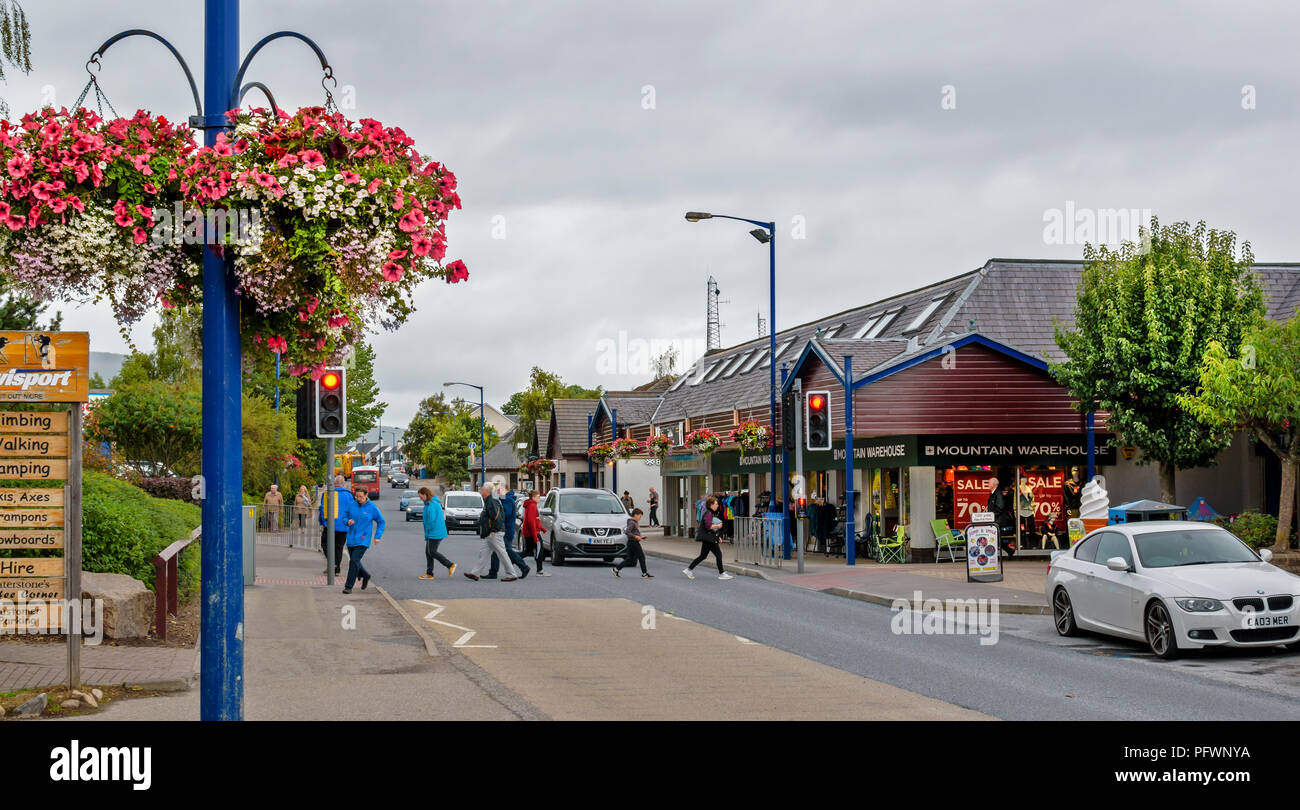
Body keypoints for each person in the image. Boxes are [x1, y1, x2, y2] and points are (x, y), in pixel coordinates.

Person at [464, 484, 520, 582]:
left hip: (494, 533)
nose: (481, 491)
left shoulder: (491, 501)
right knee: (484, 553)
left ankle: (512, 574)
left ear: (487, 491)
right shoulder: (490, 500)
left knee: (502, 554)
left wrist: (494, 530)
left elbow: (497, 517)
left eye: (482, 489)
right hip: (491, 533)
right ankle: (475, 573)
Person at [342, 485, 385, 594]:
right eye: (357, 496)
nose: (359, 499)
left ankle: (348, 587)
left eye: (361, 496)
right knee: (355, 561)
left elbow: (381, 522)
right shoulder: (351, 505)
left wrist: (377, 536)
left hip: (363, 539)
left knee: (353, 562)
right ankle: (365, 575)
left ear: (366, 495)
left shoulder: (372, 507)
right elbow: (344, 517)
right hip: (351, 538)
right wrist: (347, 521)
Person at [683, 496, 733, 580]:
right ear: (711, 505)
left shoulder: (709, 513)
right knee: (718, 554)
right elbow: (708, 526)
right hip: (709, 538)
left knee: (703, 556)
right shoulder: (708, 513)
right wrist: (718, 526)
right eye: (716, 504)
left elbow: (709, 527)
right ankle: (722, 573)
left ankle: (689, 569)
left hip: (708, 537)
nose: (717, 505)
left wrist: (718, 536)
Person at [488, 485, 530, 579]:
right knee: (496, 549)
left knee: (507, 550)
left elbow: (505, 514)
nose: (497, 491)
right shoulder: (505, 499)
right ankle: (493, 572)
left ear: (504, 490)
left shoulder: (507, 500)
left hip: (506, 529)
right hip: (504, 529)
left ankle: (524, 567)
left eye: (499, 490)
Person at [319, 475, 355, 576]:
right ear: (344, 484)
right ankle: (336, 569)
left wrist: (324, 523)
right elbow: (352, 511)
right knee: (339, 547)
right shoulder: (349, 496)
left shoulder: (328, 494)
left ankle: (332, 564)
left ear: (334, 484)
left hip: (330, 525)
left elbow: (323, 509)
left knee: (325, 544)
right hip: (344, 526)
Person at [418, 486, 456, 579]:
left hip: (435, 532)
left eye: (421, 496)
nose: (420, 498)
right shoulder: (429, 503)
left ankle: (450, 565)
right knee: (428, 552)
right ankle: (429, 573)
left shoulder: (431, 505)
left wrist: (428, 530)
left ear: (425, 494)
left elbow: (431, 520)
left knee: (432, 552)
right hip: (434, 532)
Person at [613, 507, 652, 578]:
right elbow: (627, 531)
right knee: (641, 557)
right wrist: (635, 537)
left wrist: (640, 537)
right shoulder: (632, 523)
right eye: (640, 516)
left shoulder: (633, 522)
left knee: (629, 559)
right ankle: (644, 573)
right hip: (634, 543)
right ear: (635, 515)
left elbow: (634, 532)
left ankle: (616, 569)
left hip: (631, 542)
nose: (640, 518)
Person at [520, 489, 550, 576]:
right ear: (533, 497)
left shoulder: (530, 505)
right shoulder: (532, 506)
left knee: (528, 551)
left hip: (530, 532)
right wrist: (535, 536)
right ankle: (539, 571)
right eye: (538, 497)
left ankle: (513, 558)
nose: (539, 498)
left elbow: (535, 521)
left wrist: (542, 528)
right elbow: (531, 522)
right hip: (533, 533)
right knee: (539, 552)